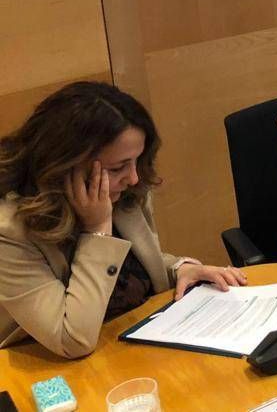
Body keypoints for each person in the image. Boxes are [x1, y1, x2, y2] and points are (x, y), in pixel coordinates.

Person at [0, 82, 245, 358]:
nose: (134, 178)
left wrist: (179, 269)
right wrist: (97, 230)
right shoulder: (10, 231)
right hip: (53, 368)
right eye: (118, 168)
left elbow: (124, 269)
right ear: (63, 165)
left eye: (136, 161)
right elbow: (72, 338)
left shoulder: (125, 193)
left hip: (127, 347)